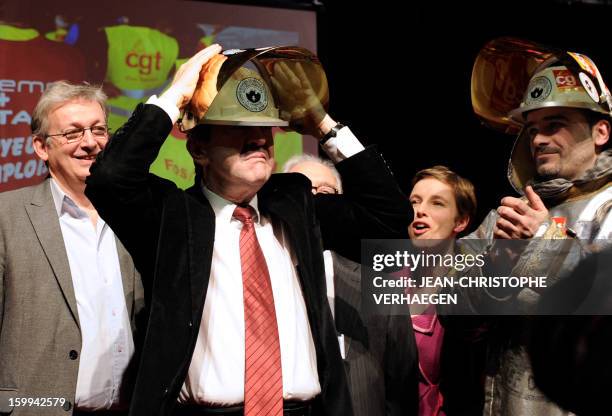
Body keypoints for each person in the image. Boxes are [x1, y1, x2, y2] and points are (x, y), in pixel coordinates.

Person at [85, 44, 412, 416]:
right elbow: (109, 180)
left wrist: (323, 123)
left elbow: (389, 219)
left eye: (264, 126)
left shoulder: (297, 207)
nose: (259, 137)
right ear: (199, 150)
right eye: (237, 126)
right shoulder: (172, 217)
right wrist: (175, 97)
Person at [465, 38, 612, 415]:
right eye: (531, 129)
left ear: (601, 132)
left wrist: (547, 241)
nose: (539, 140)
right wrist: (498, 264)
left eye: (555, 124)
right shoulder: (509, 215)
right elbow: (448, 303)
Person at [0, 81, 143, 415]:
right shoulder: (7, 217)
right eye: (73, 133)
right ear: (40, 147)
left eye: (98, 130)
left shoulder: (137, 216)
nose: (90, 143)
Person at [284, 154, 419, 416]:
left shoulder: (380, 285)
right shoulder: (267, 272)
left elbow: (402, 376)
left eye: (325, 191)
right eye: (303, 190)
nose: (315, 200)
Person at [407, 166, 485, 415]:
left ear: (461, 221)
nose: (420, 210)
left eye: (437, 203)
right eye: (414, 201)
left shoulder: (473, 288)